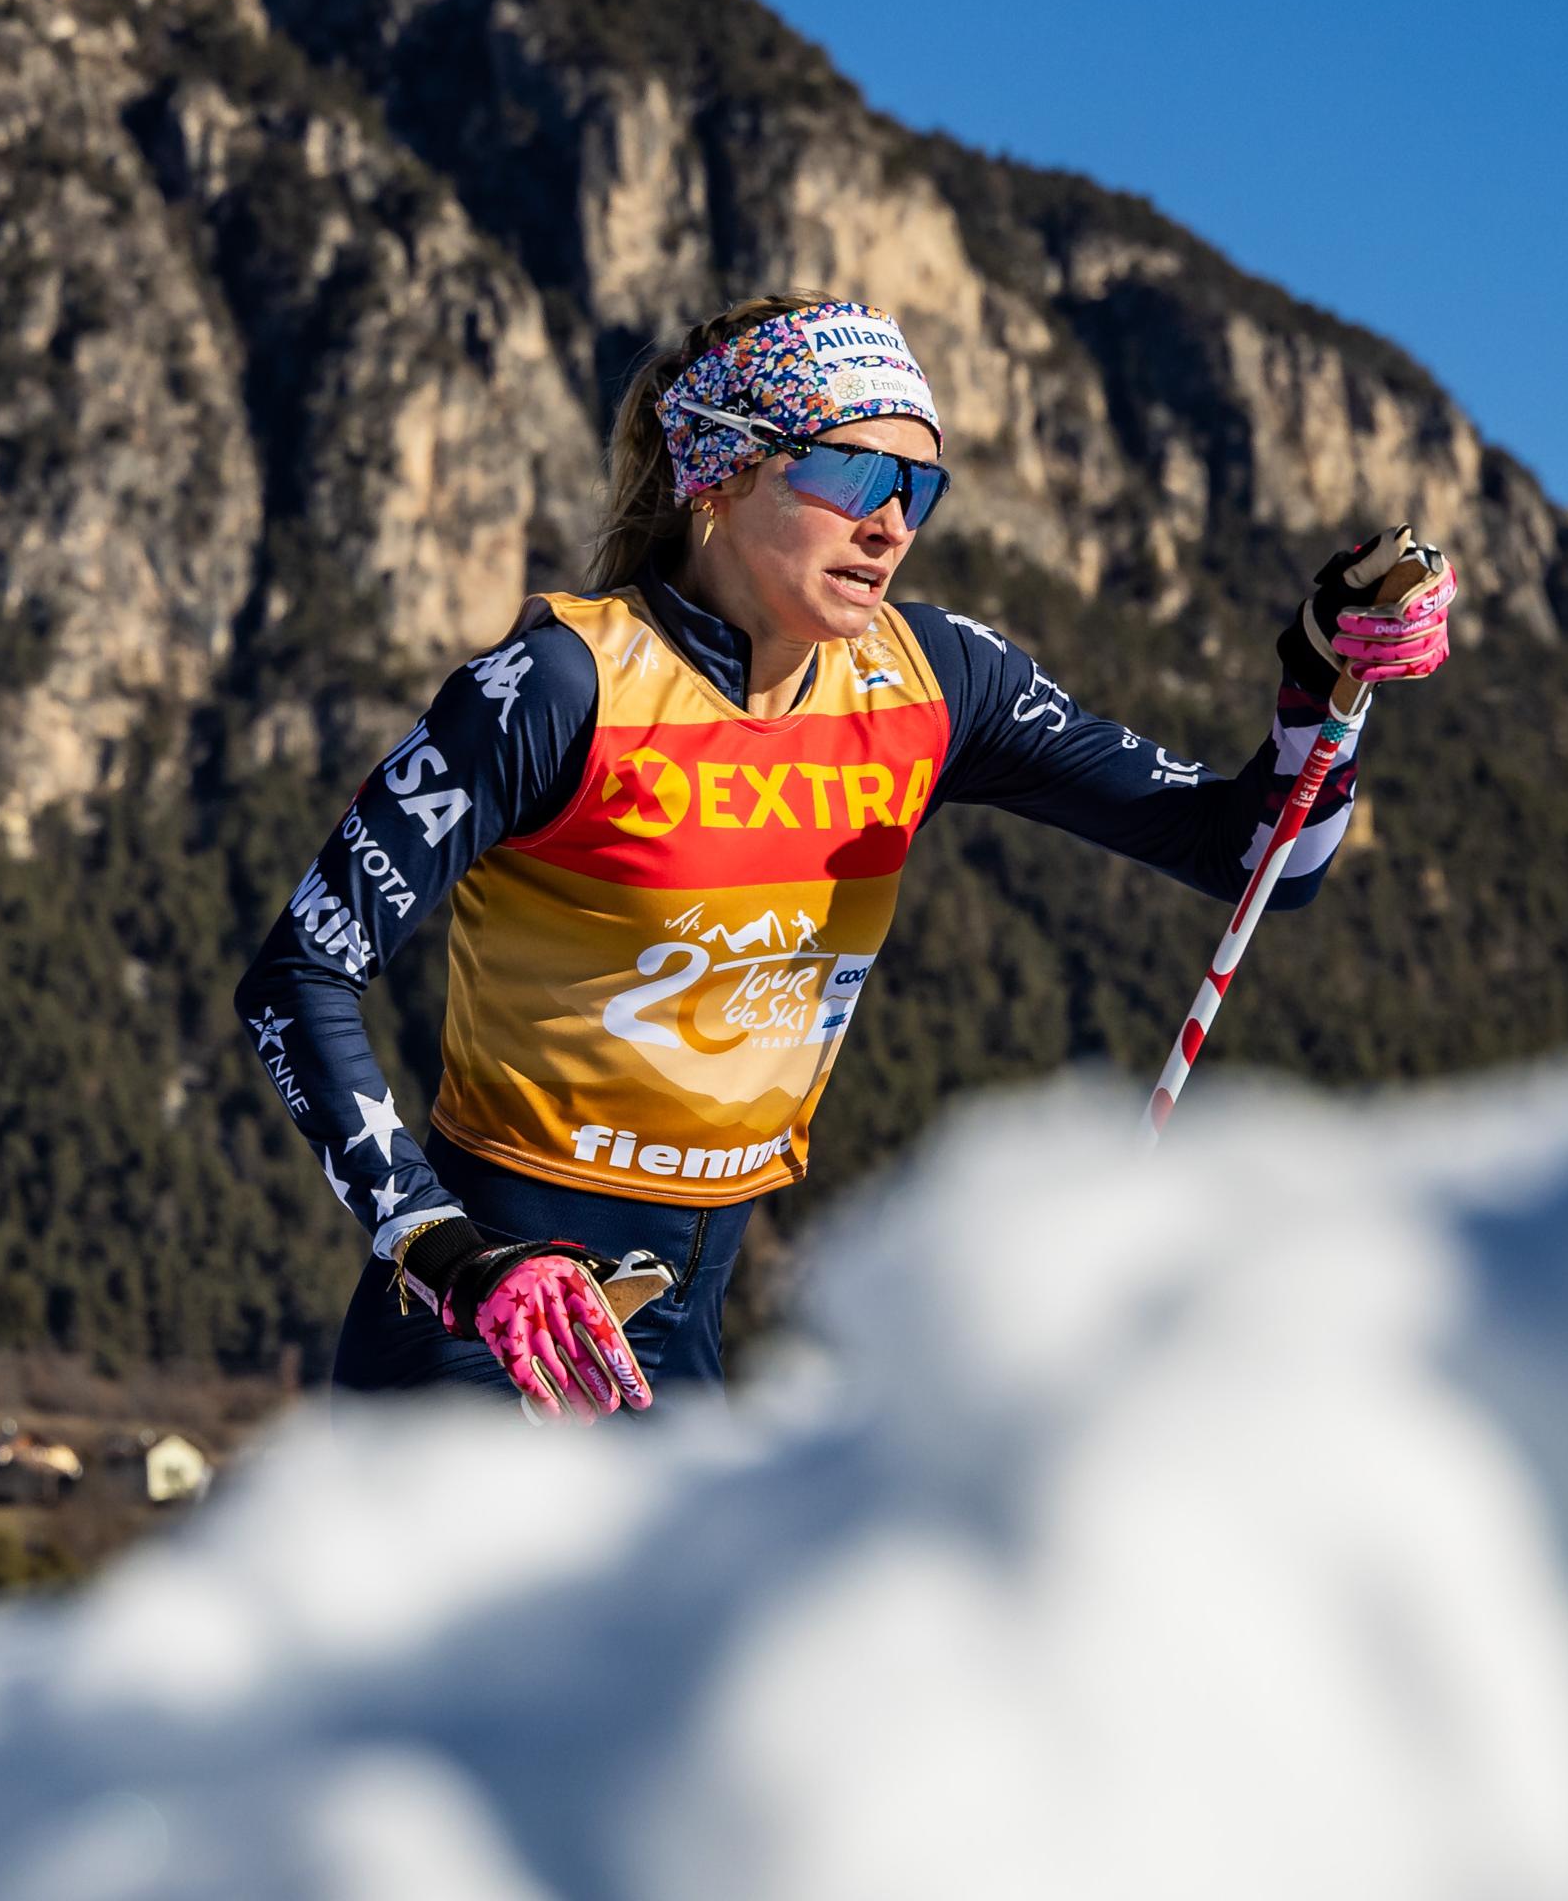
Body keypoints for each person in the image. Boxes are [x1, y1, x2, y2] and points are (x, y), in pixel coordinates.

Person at [233, 293, 1455, 1420]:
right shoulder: (559, 686)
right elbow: (297, 976)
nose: (890, 525)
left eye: (920, 490)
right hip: (492, 1320)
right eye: (853, 473)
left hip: (684, 1327)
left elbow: (1262, 860)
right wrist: (448, 1251)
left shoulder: (939, 679)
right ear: (719, 472)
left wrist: (1320, 678)